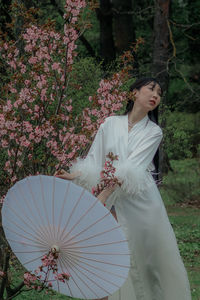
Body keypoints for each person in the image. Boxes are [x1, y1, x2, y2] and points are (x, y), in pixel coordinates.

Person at [55, 78, 191, 300]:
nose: (155, 94)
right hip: (108, 200)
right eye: (150, 89)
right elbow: (93, 161)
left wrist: (104, 194)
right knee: (109, 258)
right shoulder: (109, 123)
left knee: (147, 262)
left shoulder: (153, 132)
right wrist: (71, 175)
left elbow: (131, 169)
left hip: (141, 203)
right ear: (134, 93)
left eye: (159, 92)